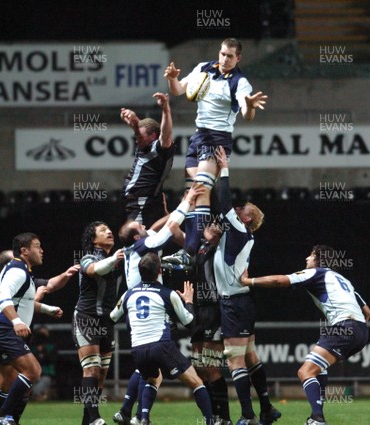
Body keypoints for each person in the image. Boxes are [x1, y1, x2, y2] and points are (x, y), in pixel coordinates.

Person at [240, 245, 369, 425]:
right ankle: (317, 416)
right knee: (319, 369)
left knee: (305, 372)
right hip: (361, 331)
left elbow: (280, 281)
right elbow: (367, 311)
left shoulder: (316, 272)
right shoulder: (344, 280)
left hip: (343, 326)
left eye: (310, 255)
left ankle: (317, 419)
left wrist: (249, 281)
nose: (307, 259)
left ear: (318, 259)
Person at [164, 38, 268, 262]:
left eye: (230, 56)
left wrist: (249, 106)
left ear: (238, 58)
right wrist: (173, 79)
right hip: (198, 136)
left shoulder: (240, 83)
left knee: (200, 190)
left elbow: (247, 116)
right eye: (222, 54)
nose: (225, 59)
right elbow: (178, 90)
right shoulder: (203, 68)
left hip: (218, 138)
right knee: (189, 195)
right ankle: (189, 250)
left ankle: (190, 250)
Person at [113, 183, 205, 425]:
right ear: (136, 236)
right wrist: (188, 201)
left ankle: (132, 414)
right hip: (151, 307)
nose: (144, 226)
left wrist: (170, 212)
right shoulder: (144, 245)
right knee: (155, 364)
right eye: (139, 227)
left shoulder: (135, 245)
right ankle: (210, 419)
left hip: (134, 307)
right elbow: (170, 228)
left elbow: (159, 227)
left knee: (149, 368)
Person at [210, 148, 278, 425]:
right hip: (243, 301)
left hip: (234, 303)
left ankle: (248, 416)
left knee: (234, 361)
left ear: (247, 219)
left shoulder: (239, 229)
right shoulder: (245, 237)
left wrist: (223, 168)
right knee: (250, 356)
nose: (238, 210)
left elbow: (223, 200)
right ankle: (267, 409)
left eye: (242, 210)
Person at [110, 253, 215, 425]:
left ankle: (143, 419)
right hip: (161, 346)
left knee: (152, 379)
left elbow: (113, 317)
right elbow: (189, 322)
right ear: (159, 271)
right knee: (196, 382)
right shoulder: (168, 293)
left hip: (137, 349)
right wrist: (188, 301)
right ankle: (210, 421)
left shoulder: (128, 294)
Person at [0, 249, 77, 425]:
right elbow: (10, 300)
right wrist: (17, 321)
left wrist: (66, 274)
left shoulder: (22, 279)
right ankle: (5, 416)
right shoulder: (13, 276)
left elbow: (46, 287)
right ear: (9, 265)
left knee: (6, 384)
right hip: (6, 332)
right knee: (32, 372)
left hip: (2, 332)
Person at [74, 222, 124, 425]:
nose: (109, 231)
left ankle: (88, 421)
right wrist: (115, 259)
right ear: (94, 240)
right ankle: (95, 418)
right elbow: (93, 270)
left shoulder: (119, 259)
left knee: (102, 374)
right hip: (86, 317)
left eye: (110, 229)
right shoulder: (88, 258)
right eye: (103, 231)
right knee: (92, 369)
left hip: (107, 320)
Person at [188, 223, 232, 425]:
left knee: (211, 365)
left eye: (217, 225)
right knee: (198, 367)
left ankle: (224, 418)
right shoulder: (199, 245)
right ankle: (211, 416)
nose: (213, 227)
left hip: (214, 309)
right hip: (198, 310)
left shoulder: (222, 246)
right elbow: (177, 233)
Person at [120, 92, 176, 227]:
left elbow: (166, 133)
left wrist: (165, 109)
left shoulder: (160, 148)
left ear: (153, 136)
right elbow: (139, 129)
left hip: (143, 202)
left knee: (139, 240)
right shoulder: (143, 145)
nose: (136, 140)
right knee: (155, 238)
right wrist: (132, 118)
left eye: (139, 137)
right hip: (138, 202)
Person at [29, 325, 57, 401]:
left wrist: (43, 352)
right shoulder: (31, 348)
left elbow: (52, 360)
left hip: (46, 374)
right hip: (32, 374)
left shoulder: (51, 347)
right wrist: (38, 353)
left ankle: (32, 395)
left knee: (44, 380)